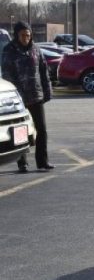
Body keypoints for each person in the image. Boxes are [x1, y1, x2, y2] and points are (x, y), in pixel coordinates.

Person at [1, 21, 53, 172]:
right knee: (21, 130)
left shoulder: (36, 50)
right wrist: (18, 96)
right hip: (20, 100)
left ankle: (43, 162)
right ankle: (22, 162)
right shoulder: (9, 51)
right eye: (23, 35)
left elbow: (43, 71)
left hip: (36, 95)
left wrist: (47, 91)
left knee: (41, 130)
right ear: (17, 36)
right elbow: (7, 75)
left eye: (28, 35)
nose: (26, 38)